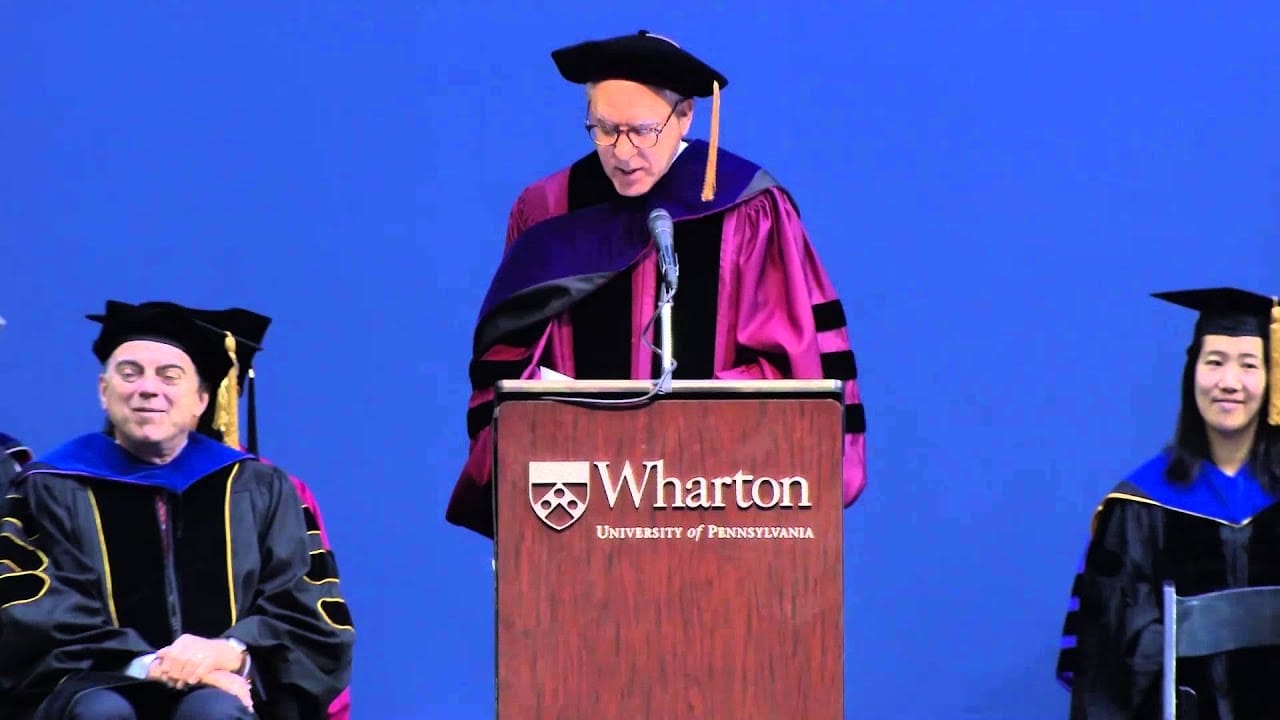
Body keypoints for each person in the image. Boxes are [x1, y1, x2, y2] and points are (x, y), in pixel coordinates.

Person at [446, 30, 868, 538]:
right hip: (580, 512)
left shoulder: (749, 208)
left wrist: (678, 420)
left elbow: (794, 371)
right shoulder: (548, 210)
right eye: (603, 129)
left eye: (642, 130)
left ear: (685, 115)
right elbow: (507, 367)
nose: (622, 153)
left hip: (717, 508)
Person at [0, 300, 354, 719]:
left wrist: (228, 653)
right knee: (102, 712)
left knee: (214, 712)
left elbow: (305, 606)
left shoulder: (261, 489)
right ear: (103, 391)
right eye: (129, 373)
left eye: (170, 376)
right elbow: (35, 611)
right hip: (92, 684)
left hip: (233, 684)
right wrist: (151, 665)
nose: (148, 388)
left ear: (202, 400)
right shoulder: (50, 487)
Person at [1058, 287, 1280, 719]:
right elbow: (1110, 664)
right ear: (1191, 372)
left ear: (1271, 380)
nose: (1229, 382)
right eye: (1214, 361)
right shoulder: (1139, 506)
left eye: (1249, 365)